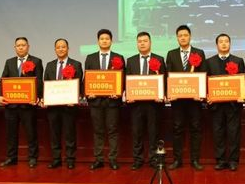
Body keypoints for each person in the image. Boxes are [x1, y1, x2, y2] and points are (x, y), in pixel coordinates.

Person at [0, 37, 44, 168]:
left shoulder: (36, 61)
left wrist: (37, 96)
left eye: (23, 45)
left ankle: (32, 158)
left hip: (28, 105)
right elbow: (2, 81)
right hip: (11, 105)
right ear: (15, 47)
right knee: (11, 134)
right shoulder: (9, 62)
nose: (21, 47)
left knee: (31, 133)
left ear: (28, 46)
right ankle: (11, 158)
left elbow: (39, 82)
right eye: (18, 45)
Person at [165, 25, 207, 170]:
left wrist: (201, 93)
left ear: (190, 36)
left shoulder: (199, 53)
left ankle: (195, 160)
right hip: (178, 100)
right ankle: (177, 160)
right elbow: (168, 75)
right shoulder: (171, 54)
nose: (183, 38)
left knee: (196, 129)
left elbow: (203, 73)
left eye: (185, 35)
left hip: (195, 101)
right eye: (180, 35)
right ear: (177, 38)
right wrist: (169, 92)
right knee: (177, 129)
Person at [125, 31, 167, 170]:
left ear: (150, 43)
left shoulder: (159, 59)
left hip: (153, 104)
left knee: (153, 133)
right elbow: (127, 81)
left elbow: (164, 79)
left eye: (145, 41)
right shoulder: (130, 60)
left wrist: (162, 94)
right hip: (136, 105)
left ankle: (153, 159)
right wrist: (128, 95)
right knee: (137, 133)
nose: (142, 43)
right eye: (139, 41)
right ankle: (138, 159)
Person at [84, 29, 125, 170]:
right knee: (98, 131)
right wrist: (88, 93)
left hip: (112, 102)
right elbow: (86, 79)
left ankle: (113, 159)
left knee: (113, 131)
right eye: (102, 39)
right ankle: (99, 159)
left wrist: (118, 92)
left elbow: (122, 79)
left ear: (111, 41)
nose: (104, 41)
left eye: (107, 38)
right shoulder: (90, 58)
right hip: (96, 102)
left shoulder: (118, 58)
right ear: (98, 41)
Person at [42, 38, 84, 169]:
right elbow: (46, 84)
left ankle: (70, 159)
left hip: (69, 107)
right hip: (53, 107)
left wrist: (76, 97)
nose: (61, 49)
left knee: (70, 133)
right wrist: (44, 98)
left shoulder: (76, 64)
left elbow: (80, 85)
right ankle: (56, 159)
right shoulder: (49, 65)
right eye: (58, 47)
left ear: (68, 48)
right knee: (54, 134)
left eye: (63, 47)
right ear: (55, 49)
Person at [206, 33, 245, 171]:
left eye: (226, 41)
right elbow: (206, 82)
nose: (223, 43)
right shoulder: (209, 62)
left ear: (230, 44)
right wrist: (207, 95)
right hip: (216, 105)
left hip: (233, 105)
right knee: (218, 133)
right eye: (221, 41)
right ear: (216, 45)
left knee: (234, 133)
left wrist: (242, 94)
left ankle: (233, 160)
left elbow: (242, 80)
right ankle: (221, 160)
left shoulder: (238, 60)